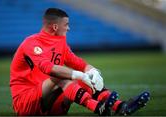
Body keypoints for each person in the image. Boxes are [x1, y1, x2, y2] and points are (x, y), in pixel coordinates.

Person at [10, 8, 150, 116]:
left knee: (84, 77)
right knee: (62, 76)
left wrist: (92, 72)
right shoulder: (31, 43)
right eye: (66, 24)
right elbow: (47, 68)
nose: (68, 28)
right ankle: (97, 108)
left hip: (52, 105)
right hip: (26, 105)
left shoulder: (60, 42)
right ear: (55, 27)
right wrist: (79, 75)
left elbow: (79, 63)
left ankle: (121, 107)